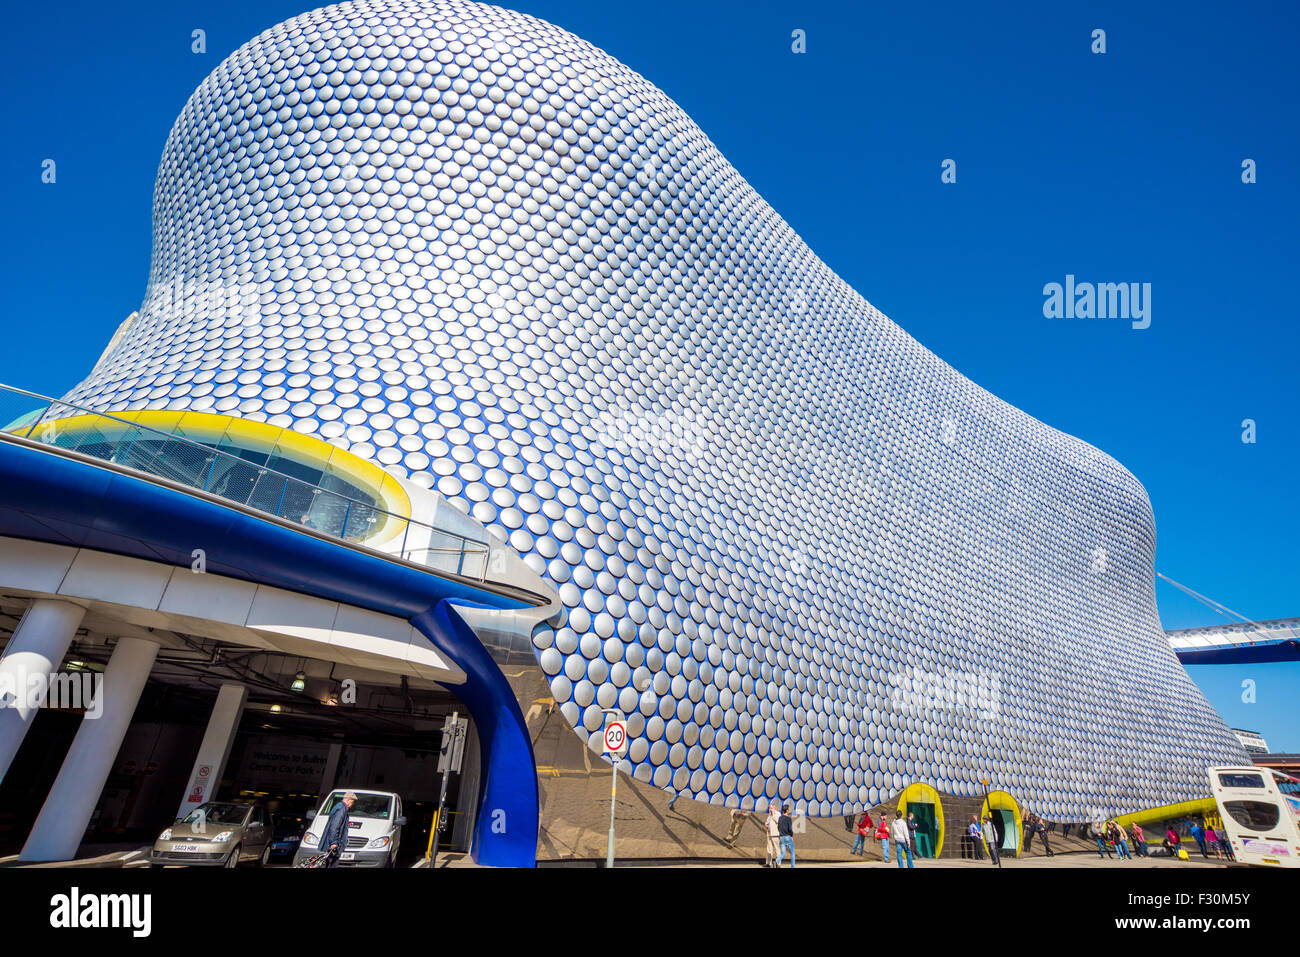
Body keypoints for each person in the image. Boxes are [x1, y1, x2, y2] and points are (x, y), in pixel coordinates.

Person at [319, 790, 357, 868]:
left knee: (327, 864)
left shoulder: (339, 807)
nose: (352, 804)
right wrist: (334, 842)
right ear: (349, 800)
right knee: (330, 864)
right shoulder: (341, 809)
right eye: (353, 802)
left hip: (332, 843)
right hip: (333, 844)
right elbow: (334, 827)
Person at [764, 803, 781, 867]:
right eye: (769, 808)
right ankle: (768, 863)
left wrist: (773, 814)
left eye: (771, 808)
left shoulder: (778, 814)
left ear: (774, 808)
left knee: (777, 849)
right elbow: (767, 822)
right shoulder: (769, 816)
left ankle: (778, 864)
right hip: (769, 834)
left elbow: (778, 821)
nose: (770, 809)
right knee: (769, 849)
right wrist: (766, 824)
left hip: (775, 834)